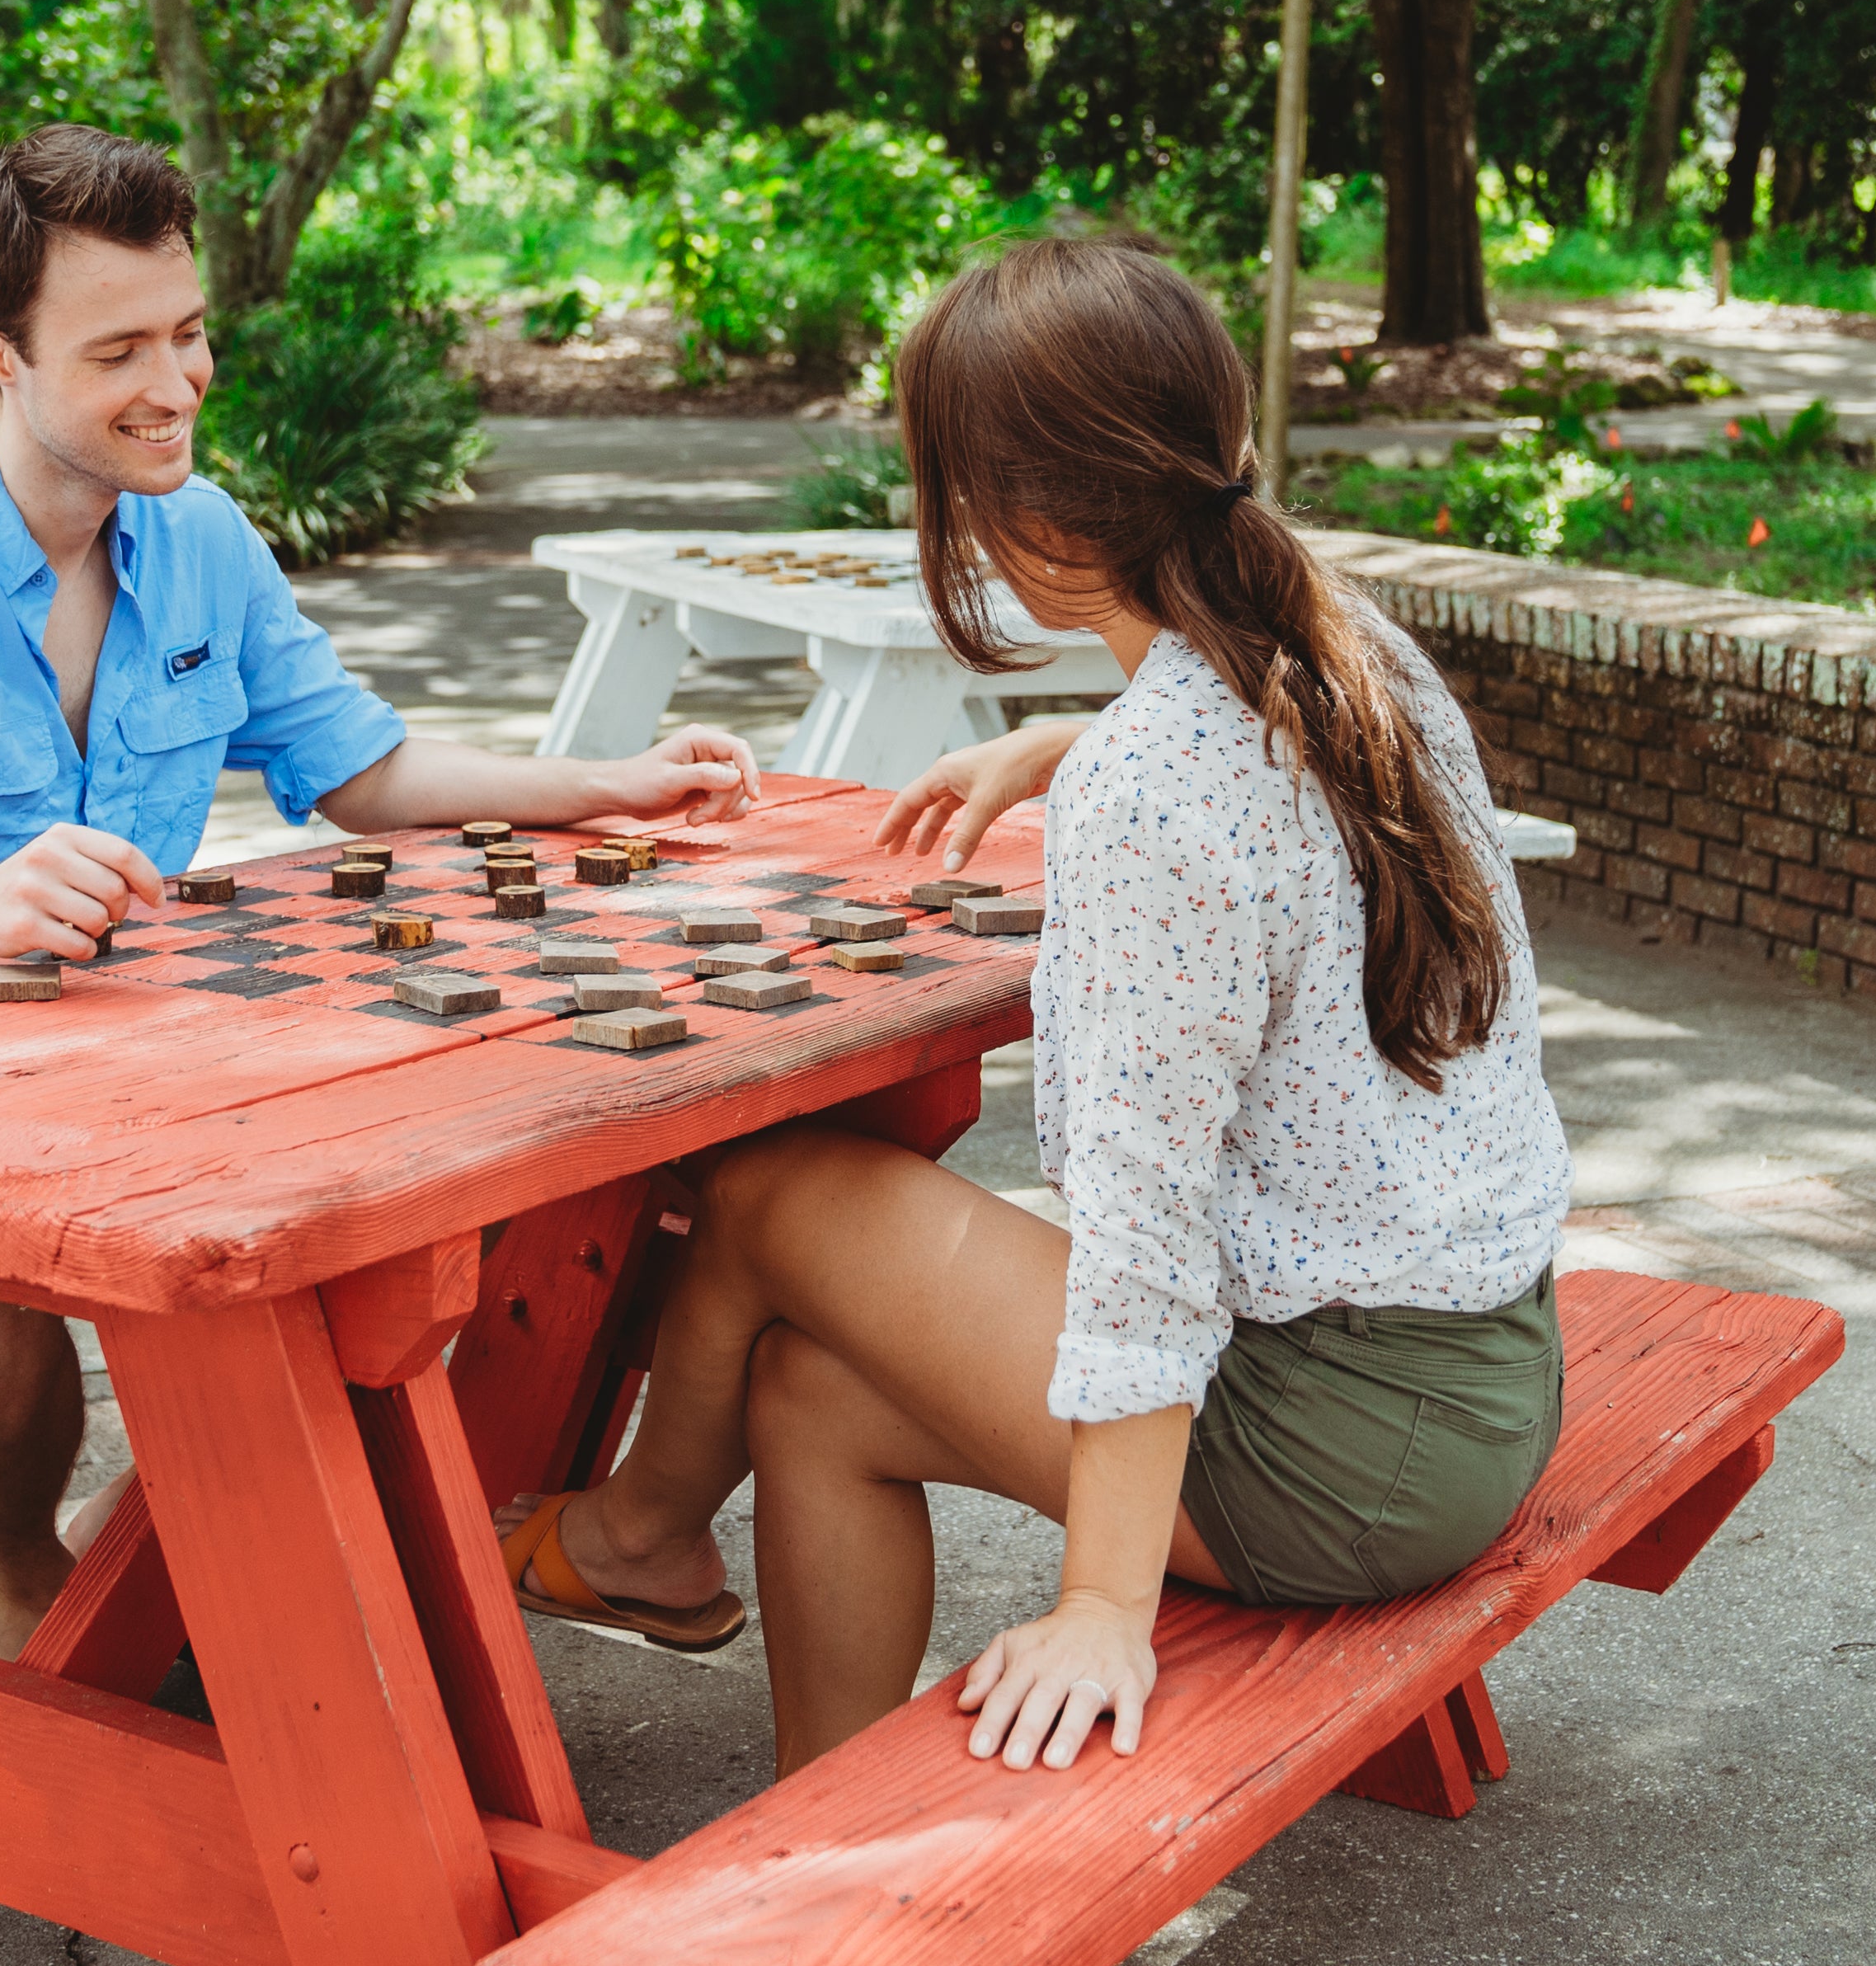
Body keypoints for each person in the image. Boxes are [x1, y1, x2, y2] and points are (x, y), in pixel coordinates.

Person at [504, 235, 1573, 1776]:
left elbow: (1147, 1245)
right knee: (813, 1393)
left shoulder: (1158, 796)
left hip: (1347, 1438)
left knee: (765, 1188)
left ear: (1017, 521)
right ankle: (826, 1838)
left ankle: (635, 1530)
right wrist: (1076, 734)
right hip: (1482, 1371)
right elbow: (1251, 774)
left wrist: (1099, 1609)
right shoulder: (1349, 651)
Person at [0, 122, 759, 1654]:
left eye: (189, 335)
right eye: (120, 349)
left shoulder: (198, 537)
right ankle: (38, 1596)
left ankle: (342, 1607)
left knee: (463, 1165)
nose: (179, 385)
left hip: (114, 1072)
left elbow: (362, 773)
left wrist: (607, 782)